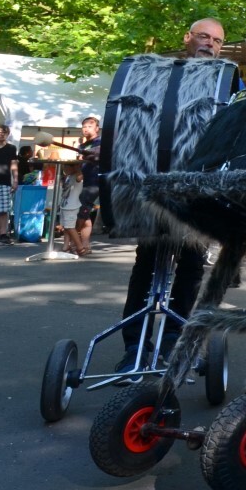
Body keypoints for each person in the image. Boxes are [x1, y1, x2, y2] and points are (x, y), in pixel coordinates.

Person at [117, 18, 228, 372]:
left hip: (198, 189)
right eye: (203, 36)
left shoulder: (225, 80)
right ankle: (134, 346)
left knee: (192, 264)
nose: (209, 44)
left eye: (216, 40)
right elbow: (127, 118)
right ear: (187, 38)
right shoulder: (156, 75)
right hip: (153, 186)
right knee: (145, 264)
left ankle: (173, 340)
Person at [65, 116, 101, 256]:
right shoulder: (81, 146)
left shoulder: (101, 142)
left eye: (89, 126)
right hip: (80, 182)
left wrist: (84, 156)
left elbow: (97, 154)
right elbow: (78, 163)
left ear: (97, 128)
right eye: (84, 127)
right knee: (85, 215)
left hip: (94, 182)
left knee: (82, 212)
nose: (86, 129)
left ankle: (74, 242)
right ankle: (85, 245)